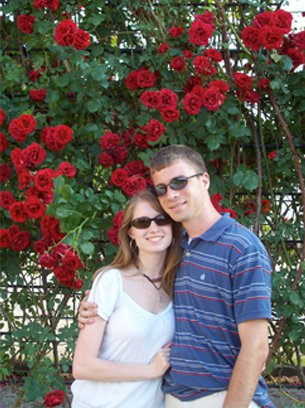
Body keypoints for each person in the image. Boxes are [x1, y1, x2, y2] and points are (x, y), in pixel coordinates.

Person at [78, 145, 274, 408]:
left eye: (180, 182)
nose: (171, 194)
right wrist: (92, 308)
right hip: (172, 398)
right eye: (162, 188)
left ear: (204, 180)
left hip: (224, 397)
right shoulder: (176, 254)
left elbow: (257, 347)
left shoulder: (242, 248)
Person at [71, 189, 182, 408]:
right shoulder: (111, 281)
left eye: (161, 219)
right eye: (142, 222)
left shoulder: (180, 284)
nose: (153, 228)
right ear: (131, 232)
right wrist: (150, 370)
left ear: (172, 226)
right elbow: (82, 366)